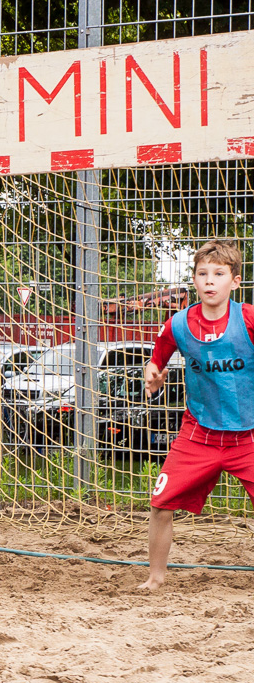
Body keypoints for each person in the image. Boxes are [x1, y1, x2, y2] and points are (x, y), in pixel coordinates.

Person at [140, 240, 254, 590]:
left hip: (248, 436)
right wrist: (152, 376)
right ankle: (156, 579)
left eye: (218, 274)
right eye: (202, 273)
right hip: (199, 434)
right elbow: (155, 361)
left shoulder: (248, 319)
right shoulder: (178, 324)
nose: (210, 280)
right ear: (194, 280)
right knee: (160, 505)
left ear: (234, 282)